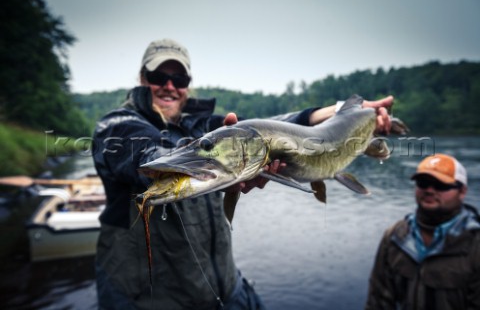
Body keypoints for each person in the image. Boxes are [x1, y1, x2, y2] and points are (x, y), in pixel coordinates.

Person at [92, 38, 394, 310]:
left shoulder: (200, 126)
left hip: (223, 288)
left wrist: (346, 112)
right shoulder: (116, 126)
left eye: (179, 78)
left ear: (187, 84)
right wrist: (190, 160)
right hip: (144, 300)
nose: (169, 85)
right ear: (142, 78)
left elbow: (275, 125)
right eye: (159, 77)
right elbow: (148, 154)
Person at [365, 154, 480, 310]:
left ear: (462, 192)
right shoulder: (394, 237)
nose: (429, 190)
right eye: (423, 183)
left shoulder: (475, 243)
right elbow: (378, 301)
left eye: (440, 185)